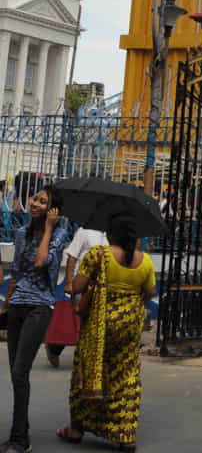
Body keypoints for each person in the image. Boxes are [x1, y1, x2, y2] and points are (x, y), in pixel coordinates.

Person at [56, 212, 156, 453]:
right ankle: (125, 434)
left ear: (110, 234)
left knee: (88, 371)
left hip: (98, 327)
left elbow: (77, 286)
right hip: (129, 328)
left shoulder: (98, 256)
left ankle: (77, 428)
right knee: (125, 375)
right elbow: (150, 293)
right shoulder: (146, 261)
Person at [2, 185, 67, 453]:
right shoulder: (19, 233)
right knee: (17, 374)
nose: (35, 204)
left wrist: (50, 228)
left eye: (43, 201)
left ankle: (20, 438)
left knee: (20, 371)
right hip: (17, 306)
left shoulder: (60, 234)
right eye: (35, 199)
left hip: (40, 307)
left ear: (53, 210)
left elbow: (41, 262)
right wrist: (5, 305)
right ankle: (21, 431)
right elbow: (17, 271)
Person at [45, 226, 109, 368]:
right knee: (79, 320)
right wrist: (68, 282)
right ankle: (54, 348)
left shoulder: (112, 234)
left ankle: (88, 357)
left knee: (95, 322)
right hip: (81, 284)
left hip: (101, 286)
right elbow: (72, 256)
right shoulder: (84, 231)